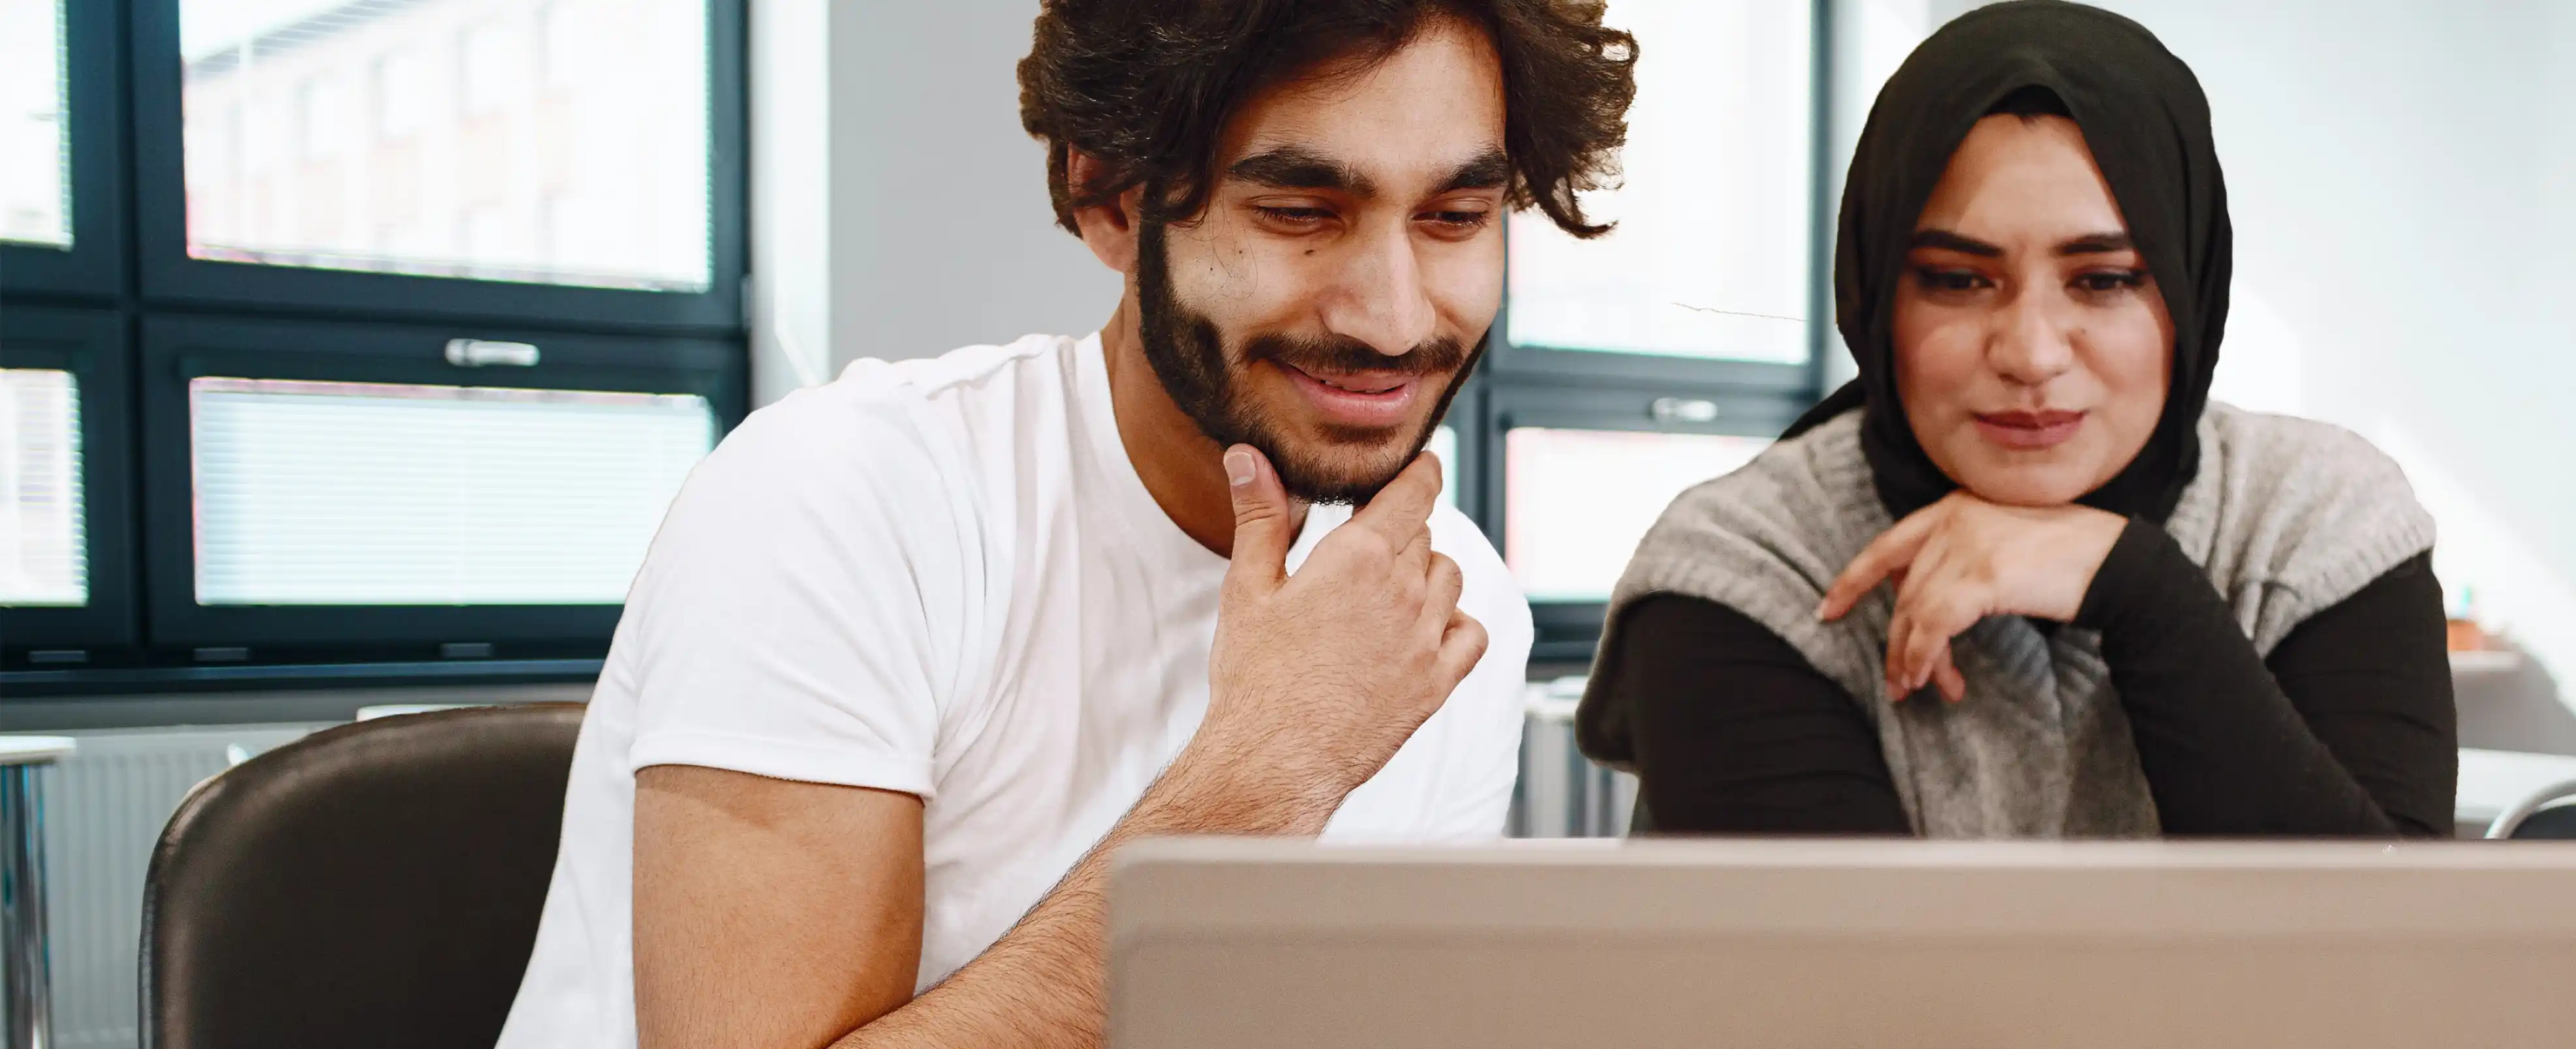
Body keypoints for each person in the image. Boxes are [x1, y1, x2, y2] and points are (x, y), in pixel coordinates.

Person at [495, 3, 1636, 1046]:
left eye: (1455, 217)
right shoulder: (844, 500)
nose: (1392, 318)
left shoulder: (1456, 605)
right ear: (1111, 197)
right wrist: (1267, 773)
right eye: (1299, 212)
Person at [1576, 0, 2455, 840]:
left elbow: (2383, 954)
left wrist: (2136, 586)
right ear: (1879, 295)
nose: (2032, 354)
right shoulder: (1752, 562)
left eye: (2104, 279)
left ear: (2189, 291)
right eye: (1958, 280)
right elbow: (1842, 989)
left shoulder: (2315, 517)